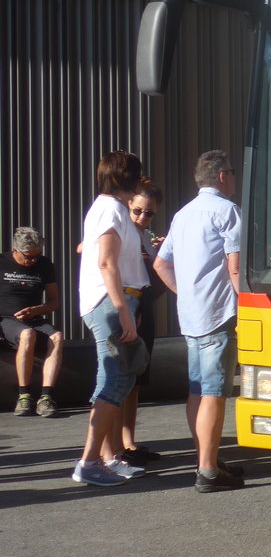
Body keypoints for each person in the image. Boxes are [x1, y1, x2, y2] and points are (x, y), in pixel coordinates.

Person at [154, 150, 245, 493]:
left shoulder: (183, 214)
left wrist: (186, 293)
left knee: (197, 390)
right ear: (222, 176)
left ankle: (205, 459)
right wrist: (250, 305)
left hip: (191, 315)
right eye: (232, 172)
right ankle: (208, 470)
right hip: (218, 314)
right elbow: (235, 268)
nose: (234, 178)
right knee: (214, 393)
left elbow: (161, 264)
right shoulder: (227, 211)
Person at [72, 150, 151, 487]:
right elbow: (106, 263)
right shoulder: (110, 209)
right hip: (110, 303)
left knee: (118, 379)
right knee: (114, 380)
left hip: (115, 302)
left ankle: (105, 459)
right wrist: (123, 310)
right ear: (127, 177)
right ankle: (89, 462)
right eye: (137, 174)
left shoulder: (110, 208)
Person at [118, 179, 167, 467]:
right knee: (120, 380)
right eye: (137, 211)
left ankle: (128, 443)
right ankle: (113, 448)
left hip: (144, 309)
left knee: (135, 381)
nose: (142, 217)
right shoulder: (120, 231)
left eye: (149, 213)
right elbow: (85, 248)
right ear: (128, 207)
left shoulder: (145, 236)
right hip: (126, 310)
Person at [2, 227, 63, 417]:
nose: (33, 261)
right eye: (28, 257)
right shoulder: (2, 262)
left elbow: (54, 302)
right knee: (27, 335)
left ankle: (46, 396)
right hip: (7, 320)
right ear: (15, 250)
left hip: (34, 318)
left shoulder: (44, 264)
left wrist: (35, 310)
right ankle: (24, 395)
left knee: (57, 337)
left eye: (37, 256)